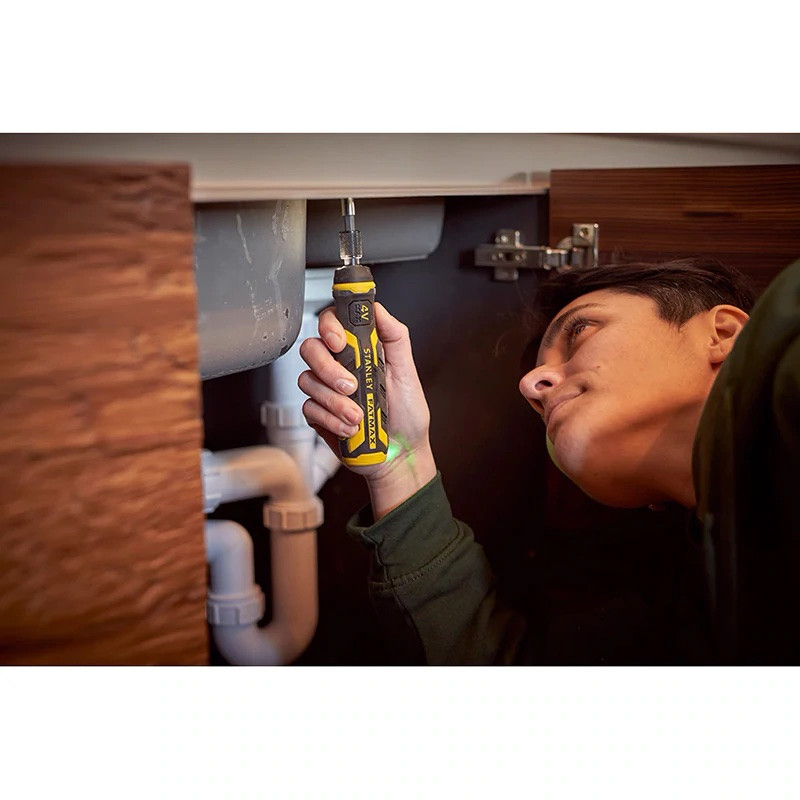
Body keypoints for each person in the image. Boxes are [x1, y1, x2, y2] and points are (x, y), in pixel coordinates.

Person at [297, 257, 800, 665]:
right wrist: (399, 464)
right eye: (536, 407)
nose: (530, 386)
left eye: (580, 332)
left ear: (723, 334)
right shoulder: (697, 598)